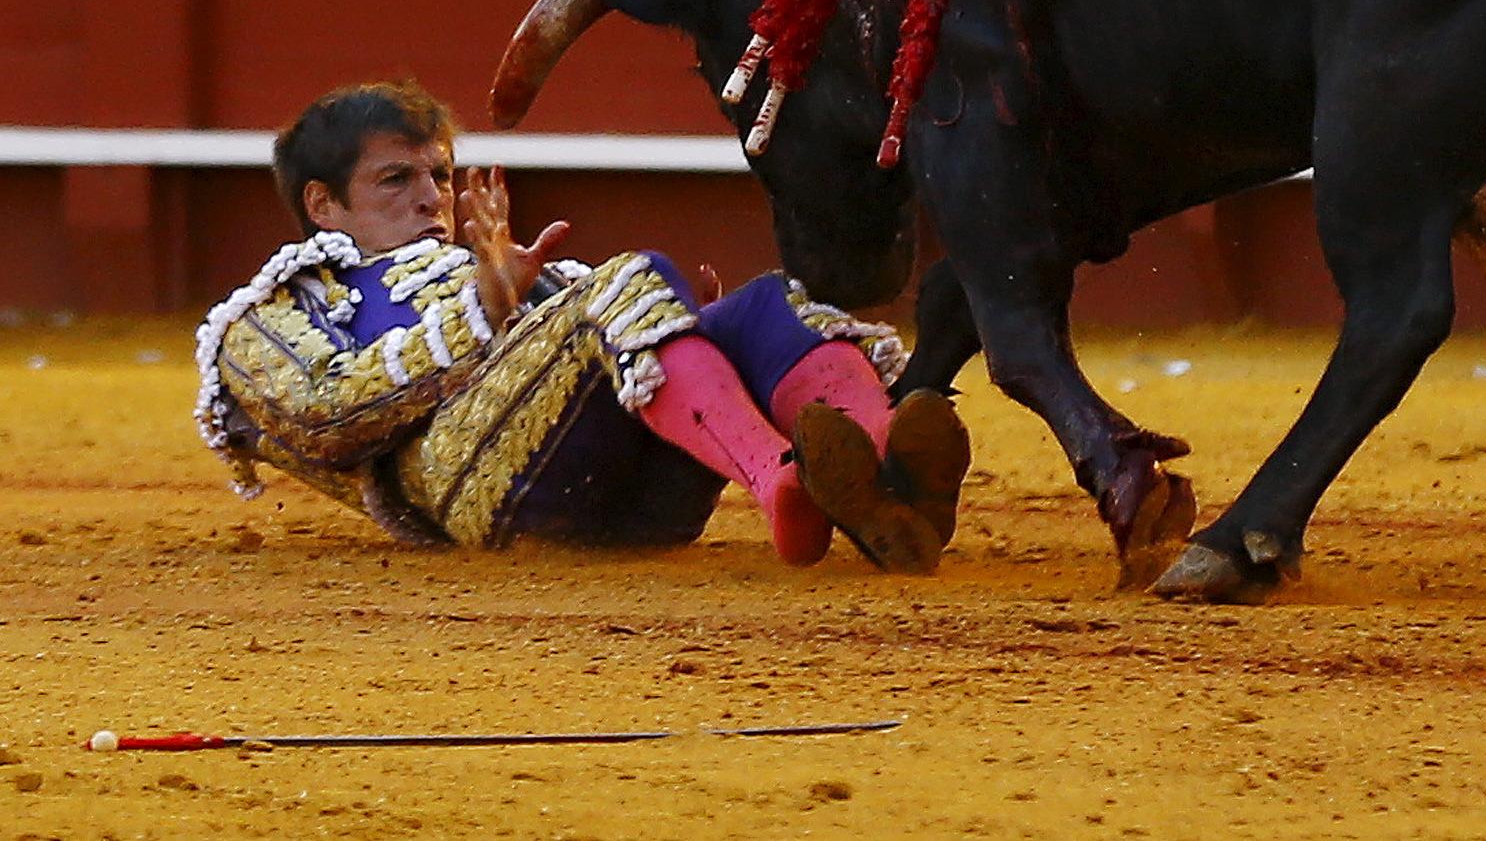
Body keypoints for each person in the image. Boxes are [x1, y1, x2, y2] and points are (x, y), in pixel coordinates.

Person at [193, 79, 967, 573]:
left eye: (439, 174)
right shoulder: (268, 317)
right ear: (322, 204)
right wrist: (483, 314)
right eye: (397, 178)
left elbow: (613, 353)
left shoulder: (499, 269)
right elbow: (327, 419)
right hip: (475, 501)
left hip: (636, 498)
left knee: (763, 310)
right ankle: (781, 479)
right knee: (631, 279)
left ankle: (885, 474)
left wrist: (697, 331)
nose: (431, 197)